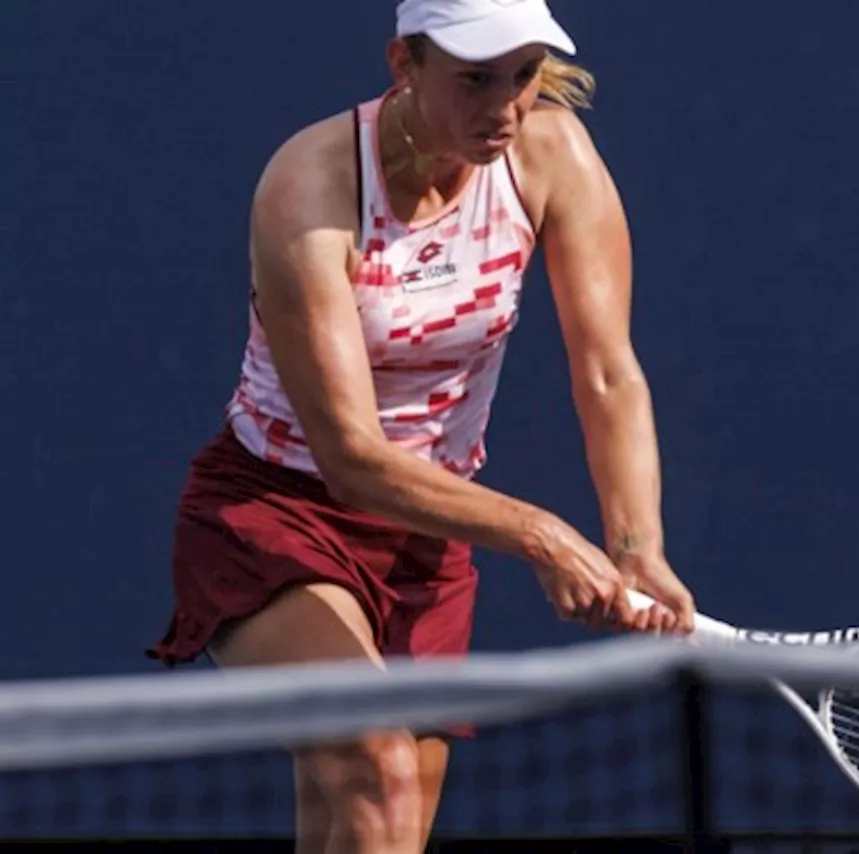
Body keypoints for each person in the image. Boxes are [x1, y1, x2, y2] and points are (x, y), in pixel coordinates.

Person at [146, 0, 697, 850]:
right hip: (276, 515)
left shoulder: (551, 156)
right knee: (378, 771)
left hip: (427, 540)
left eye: (523, 76)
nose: (506, 108)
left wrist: (635, 546)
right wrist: (542, 536)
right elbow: (353, 460)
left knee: (381, 821)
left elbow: (607, 372)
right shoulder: (311, 188)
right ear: (404, 62)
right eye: (475, 80)